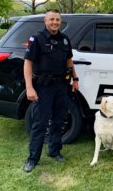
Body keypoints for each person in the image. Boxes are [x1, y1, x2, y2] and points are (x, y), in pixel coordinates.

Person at [23, 9, 79, 173]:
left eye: (58, 20)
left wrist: (75, 80)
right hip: (43, 88)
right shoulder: (37, 39)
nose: (55, 22)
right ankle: (32, 159)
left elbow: (69, 60)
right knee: (40, 124)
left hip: (61, 86)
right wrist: (29, 87)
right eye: (52, 19)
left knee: (58, 120)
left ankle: (54, 152)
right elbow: (28, 63)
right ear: (45, 21)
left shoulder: (64, 40)